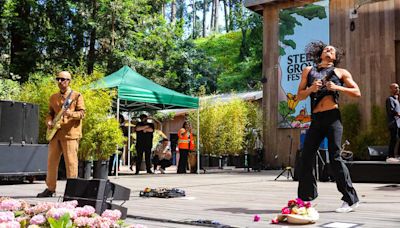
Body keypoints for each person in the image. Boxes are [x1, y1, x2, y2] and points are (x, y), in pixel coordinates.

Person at [296, 41, 360, 213]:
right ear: (321, 54)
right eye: (326, 49)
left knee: (335, 157)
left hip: (333, 118)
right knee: (306, 156)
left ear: (335, 56)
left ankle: (350, 199)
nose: (329, 50)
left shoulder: (341, 72)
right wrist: (310, 89)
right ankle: (306, 198)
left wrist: (337, 87)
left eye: (332, 50)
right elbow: (299, 96)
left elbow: (357, 92)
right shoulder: (308, 71)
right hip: (316, 119)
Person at [37, 71, 85, 197]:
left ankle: (72, 190)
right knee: (51, 162)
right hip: (55, 134)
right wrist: (48, 121)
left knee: (71, 163)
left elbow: (82, 114)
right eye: (57, 79)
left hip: (70, 134)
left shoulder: (76, 95)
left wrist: (71, 114)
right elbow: (50, 113)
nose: (59, 81)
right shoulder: (53, 97)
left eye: (62, 79)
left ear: (69, 81)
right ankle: (50, 188)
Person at [385, 83, 400, 163]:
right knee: (393, 139)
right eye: (395, 88)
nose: (397, 89)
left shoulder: (397, 100)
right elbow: (391, 111)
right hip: (393, 123)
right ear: (391, 89)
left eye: (398, 88)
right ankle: (390, 156)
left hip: (398, 123)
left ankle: (397, 155)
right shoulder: (390, 99)